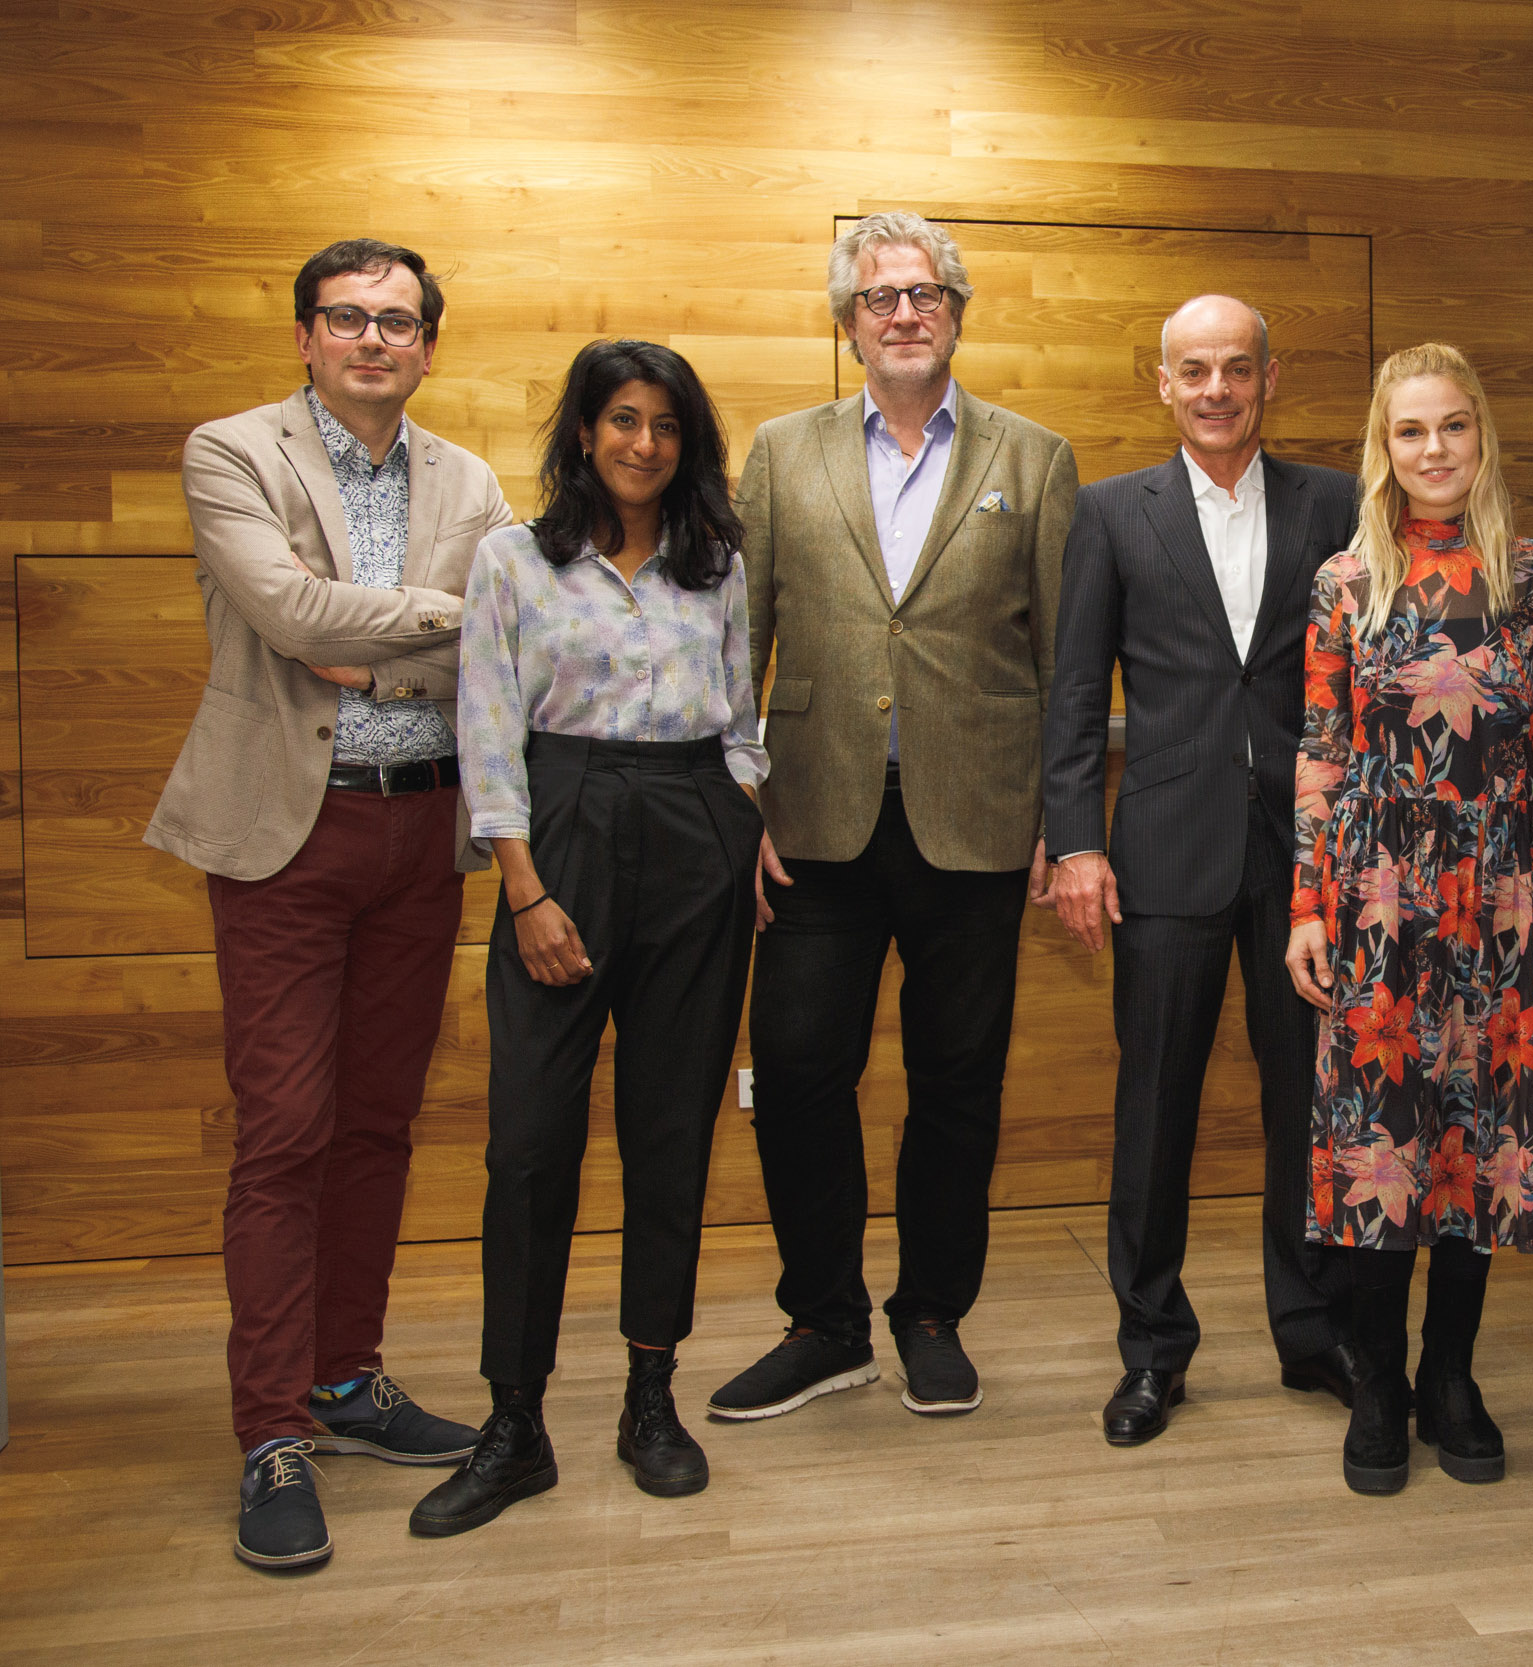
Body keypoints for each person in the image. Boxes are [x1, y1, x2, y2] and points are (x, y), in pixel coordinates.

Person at [146, 237, 508, 1572]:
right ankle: (267, 1429)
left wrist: (355, 641)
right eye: (347, 318)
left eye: (398, 321)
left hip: (423, 825)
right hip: (281, 835)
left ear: (427, 342)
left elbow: (493, 626)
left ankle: (347, 1380)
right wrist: (423, 620)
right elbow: (284, 602)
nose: (373, 339)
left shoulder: (467, 477)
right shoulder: (232, 450)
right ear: (305, 334)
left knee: (376, 1122)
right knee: (287, 1126)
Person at [709, 212, 1077, 1425]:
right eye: (879, 298)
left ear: (957, 312)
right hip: (812, 821)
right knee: (803, 1070)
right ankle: (823, 1321)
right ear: (846, 322)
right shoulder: (779, 451)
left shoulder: (1033, 458)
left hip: (974, 820)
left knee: (957, 1081)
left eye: (924, 293)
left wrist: (1057, 817)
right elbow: (734, 642)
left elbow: (1067, 660)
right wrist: (740, 804)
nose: (903, 313)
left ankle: (929, 1313)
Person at [409, 339, 765, 1536]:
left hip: (693, 832)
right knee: (530, 1144)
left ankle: (650, 1397)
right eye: (622, 419)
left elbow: (741, 711)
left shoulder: (717, 563)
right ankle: (514, 1422)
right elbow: (488, 728)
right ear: (582, 432)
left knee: (672, 1130)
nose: (643, 444)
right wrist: (522, 887)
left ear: (686, 444)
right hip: (559, 830)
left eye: (665, 425)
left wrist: (744, 824)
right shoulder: (513, 560)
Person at [1043, 295, 1361, 1447]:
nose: (1216, 387)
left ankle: (1312, 1329)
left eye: (1237, 367)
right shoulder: (1108, 513)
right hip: (1163, 855)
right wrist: (1076, 839)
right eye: (1195, 370)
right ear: (1162, 384)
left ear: (1270, 378)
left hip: (1306, 859)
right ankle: (1151, 1348)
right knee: (1155, 1110)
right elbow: (1077, 692)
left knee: (1307, 1108)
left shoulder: (1337, 501)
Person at [1285, 342, 1533, 1495]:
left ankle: (1450, 1374)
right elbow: (1319, 750)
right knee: (1382, 1142)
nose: (1434, 450)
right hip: (1373, 896)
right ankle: (1379, 1385)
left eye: (1453, 426)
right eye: (1411, 432)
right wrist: (1309, 905)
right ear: (1384, 446)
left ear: (1482, 435)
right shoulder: (1346, 583)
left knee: (1473, 1145)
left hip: (1499, 892)